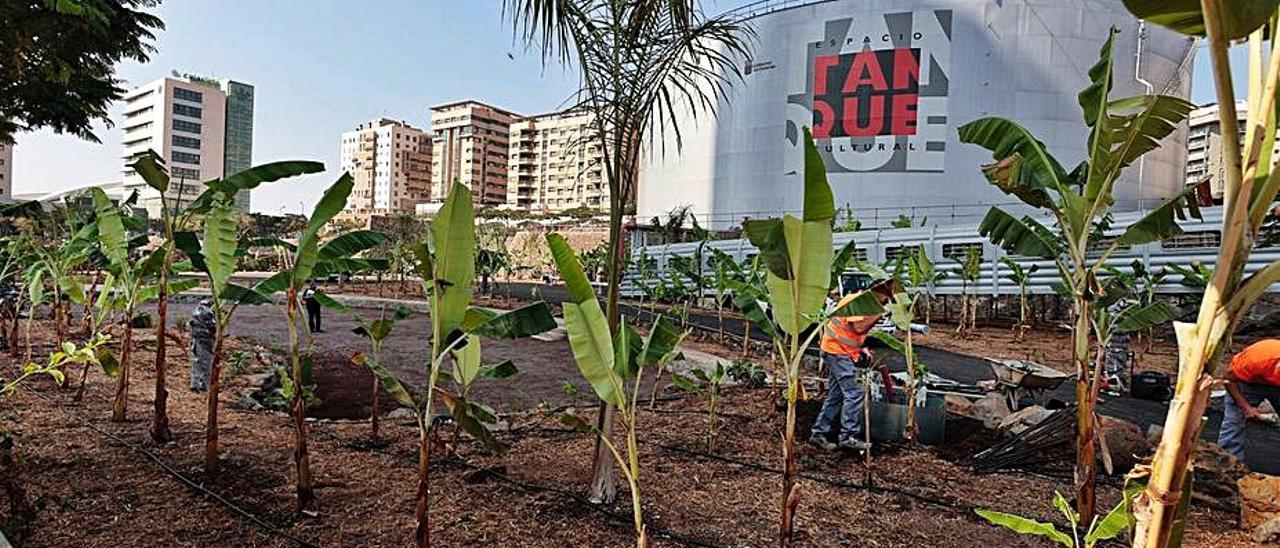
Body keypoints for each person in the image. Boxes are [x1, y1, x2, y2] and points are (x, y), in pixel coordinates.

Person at [809, 288, 885, 452]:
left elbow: (849, 331)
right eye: (884, 300)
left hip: (837, 351)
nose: (884, 304)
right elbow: (858, 328)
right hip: (837, 353)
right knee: (855, 393)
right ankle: (848, 437)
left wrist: (861, 347)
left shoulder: (861, 302)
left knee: (836, 395)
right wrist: (876, 316)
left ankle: (818, 433)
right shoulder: (856, 303)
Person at [1218, 339, 1280, 460]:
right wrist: (1246, 408)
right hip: (1247, 382)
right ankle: (1228, 464)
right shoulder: (1256, 360)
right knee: (1234, 420)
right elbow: (1229, 379)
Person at [189, 299, 216, 391]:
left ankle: (195, 384)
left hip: (196, 340)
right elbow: (213, 327)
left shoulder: (196, 313)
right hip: (205, 341)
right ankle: (202, 385)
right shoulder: (207, 313)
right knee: (205, 362)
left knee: (197, 362)